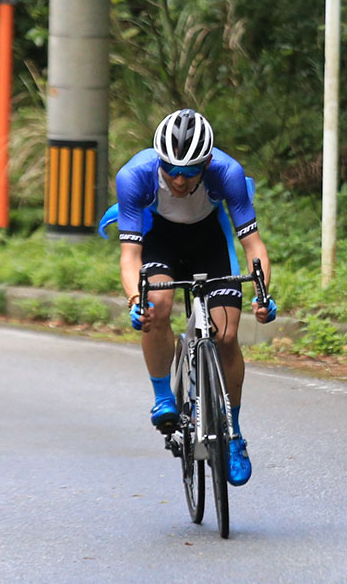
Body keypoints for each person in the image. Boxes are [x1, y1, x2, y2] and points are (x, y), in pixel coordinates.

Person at [115, 108, 276, 486]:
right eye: (171, 169)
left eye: (189, 172)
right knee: (157, 306)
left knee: (226, 335)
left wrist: (263, 293)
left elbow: (253, 245)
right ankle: (163, 397)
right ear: (160, 160)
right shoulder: (134, 176)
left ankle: (233, 434)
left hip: (210, 243)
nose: (178, 179)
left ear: (206, 164)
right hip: (160, 241)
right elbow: (130, 257)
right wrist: (134, 301)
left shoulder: (227, 174)